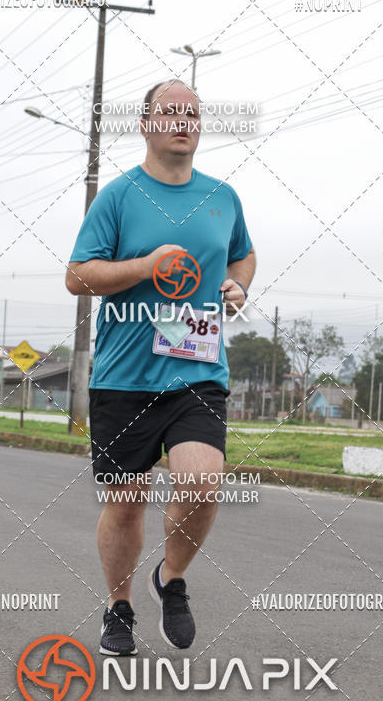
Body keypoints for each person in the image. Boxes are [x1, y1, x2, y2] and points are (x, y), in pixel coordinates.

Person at [66, 79, 255, 656]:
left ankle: (170, 578)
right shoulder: (120, 196)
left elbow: (243, 254)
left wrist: (236, 286)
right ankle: (118, 607)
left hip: (197, 372)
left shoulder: (223, 196)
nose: (183, 120)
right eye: (170, 112)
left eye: (192, 113)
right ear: (146, 124)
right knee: (126, 501)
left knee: (202, 480)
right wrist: (145, 265)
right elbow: (79, 274)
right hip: (124, 376)